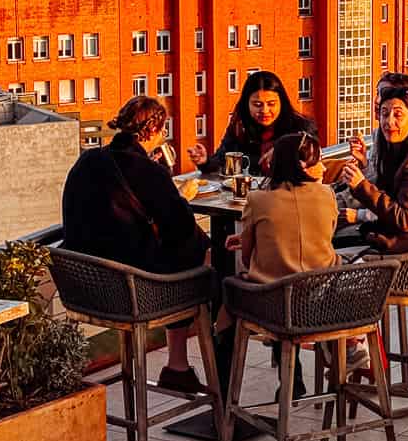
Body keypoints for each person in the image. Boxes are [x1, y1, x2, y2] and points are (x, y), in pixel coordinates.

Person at [62, 95, 211, 394]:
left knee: (184, 252)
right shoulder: (149, 171)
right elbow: (179, 227)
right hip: (133, 292)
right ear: (155, 130)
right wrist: (183, 197)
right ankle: (188, 364)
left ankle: (178, 367)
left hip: (83, 287)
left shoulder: (88, 160)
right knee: (202, 254)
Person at [228, 131, 343, 396]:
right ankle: (339, 352)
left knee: (234, 288)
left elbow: (247, 258)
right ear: (303, 166)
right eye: (318, 161)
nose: (324, 166)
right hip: (322, 299)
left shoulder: (258, 200)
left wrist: (256, 239)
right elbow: (323, 236)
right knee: (292, 284)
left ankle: (227, 388)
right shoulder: (327, 194)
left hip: (275, 304)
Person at [341, 81, 408, 253]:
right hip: (398, 242)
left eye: (398, 115)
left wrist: (360, 185)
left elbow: (405, 220)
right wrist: (364, 164)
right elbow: (387, 195)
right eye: (384, 114)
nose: (389, 122)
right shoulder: (396, 150)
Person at [201, 71, 314, 176]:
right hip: (248, 192)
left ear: (281, 103)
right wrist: (205, 162)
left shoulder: (300, 126)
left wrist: (283, 149)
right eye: (257, 104)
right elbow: (221, 159)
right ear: (247, 104)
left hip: (287, 192)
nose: (264, 111)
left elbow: (311, 152)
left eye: (271, 104)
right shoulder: (239, 127)